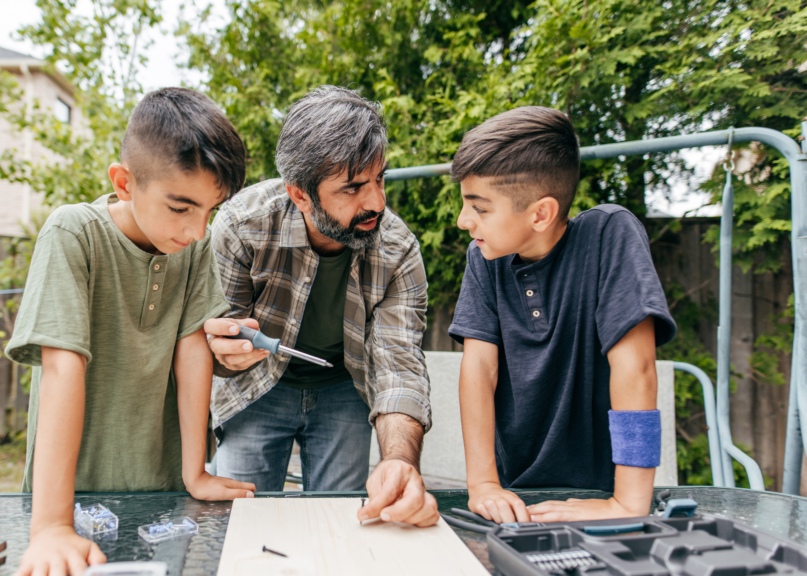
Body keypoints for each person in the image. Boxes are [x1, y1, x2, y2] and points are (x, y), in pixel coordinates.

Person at [6, 87, 256, 576]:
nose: (197, 231)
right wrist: (52, 526)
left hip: (161, 492)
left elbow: (192, 352)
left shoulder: (194, 249)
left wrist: (195, 471)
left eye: (211, 211)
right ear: (124, 183)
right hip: (74, 494)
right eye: (181, 208)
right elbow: (62, 367)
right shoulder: (72, 233)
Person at [202, 86, 439, 527]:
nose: (376, 203)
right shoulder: (241, 225)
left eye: (380, 179)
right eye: (352, 188)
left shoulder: (399, 248)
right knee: (240, 522)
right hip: (256, 387)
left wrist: (400, 462)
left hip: (344, 390)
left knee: (345, 520)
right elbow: (215, 342)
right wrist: (224, 355)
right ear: (300, 195)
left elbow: (398, 365)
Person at [450, 106, 677, 523]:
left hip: (602, 493)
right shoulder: (484, 258)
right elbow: (479, 368)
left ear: (541, 213)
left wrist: (627, 504)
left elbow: (636, 367)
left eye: (480, 208)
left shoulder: (610, 235)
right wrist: (483, 485)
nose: (464, 220)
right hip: (516, 493)